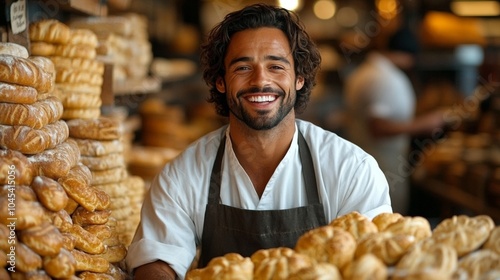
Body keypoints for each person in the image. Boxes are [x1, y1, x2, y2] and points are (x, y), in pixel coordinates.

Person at [126, 4, 392, 279]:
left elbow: (375, 260)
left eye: (276, 66)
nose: (260, 80)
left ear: (299, 78)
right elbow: (156, 260)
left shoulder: (351, 169)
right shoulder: (184, 174)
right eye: (243, 67)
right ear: (220, 81)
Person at [343, 25, 446, 215]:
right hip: (383, 166)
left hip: (365, 163)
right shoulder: (384, 79)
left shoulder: (363, 72)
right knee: (386, 226)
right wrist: (426, 123)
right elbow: (378, 127)